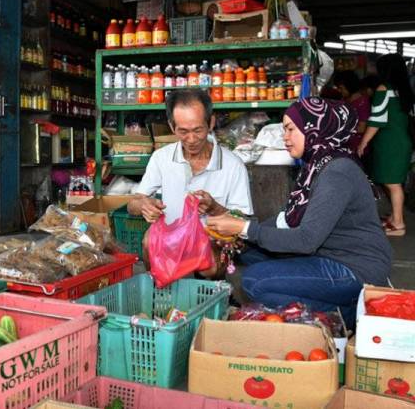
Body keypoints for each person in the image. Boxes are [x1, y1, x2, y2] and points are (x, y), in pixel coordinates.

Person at [206, 97, 392, 328]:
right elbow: (287, 219)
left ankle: (349, 314)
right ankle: (328, 307)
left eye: (291, 129)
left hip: (356, 268)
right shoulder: (317, 165)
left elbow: (306, 240)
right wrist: (240, 235)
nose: (285, 136)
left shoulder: (337, 172)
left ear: (315, 127)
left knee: (255, 280)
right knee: (248, 253)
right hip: (327, 253)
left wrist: (245, 228)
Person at [127, 88, 253, 277]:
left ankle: (210, 293)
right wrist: (144, 205)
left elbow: (244, 221)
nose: (192, 139)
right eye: (183, 131)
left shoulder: (233, 165)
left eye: (198, 130)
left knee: (210, 260)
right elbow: (132, 204)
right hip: (172, 235)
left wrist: (214, 208)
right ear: (172, 126)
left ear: (210, 122)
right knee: (149, 241)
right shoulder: (161, 158)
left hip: (211, 239)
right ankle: (160, 292)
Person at [357, 54, 414, 236]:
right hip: (402, 141)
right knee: (393, 182)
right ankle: (395, 218)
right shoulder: (405, 91)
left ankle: (398, 225)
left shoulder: (384, 89)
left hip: (390, 143)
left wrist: (363, 142)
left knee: (393, 183)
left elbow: (377, 120)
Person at [333, 70, 371, 153]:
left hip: (358, 147)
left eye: (341, 88)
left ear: (349, 86)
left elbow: (361, 128)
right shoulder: (345, 99)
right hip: (346, 146)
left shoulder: (362, 102)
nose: (339, 90)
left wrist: (340, 129)